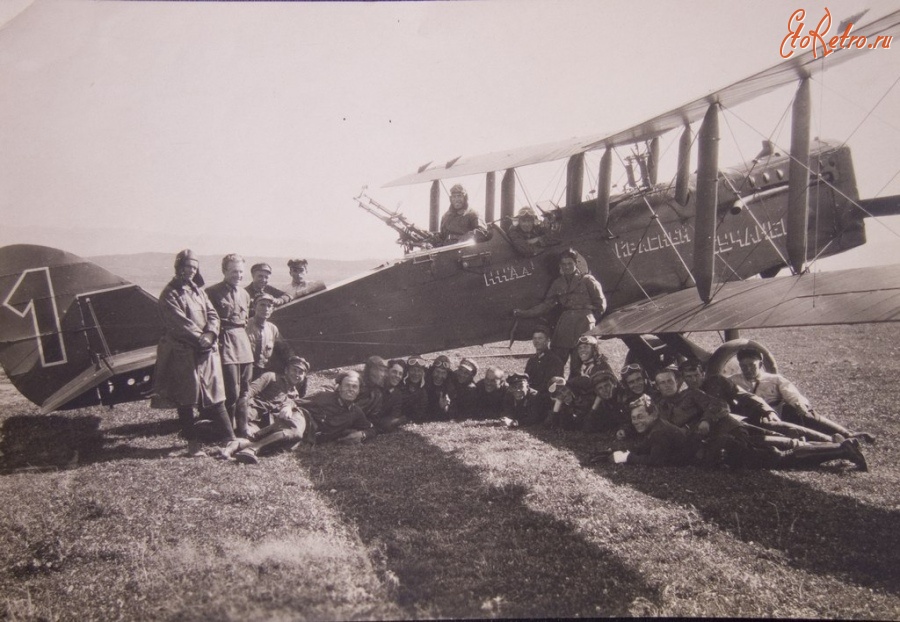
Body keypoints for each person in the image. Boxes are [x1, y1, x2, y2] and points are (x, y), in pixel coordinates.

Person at [151, 249, 236, 455]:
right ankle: (193, 444)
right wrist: (201, 338)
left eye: (194, 267)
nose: (191, 271)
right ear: (179, 267)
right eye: (187, 266)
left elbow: (212, 314)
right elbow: (179, 324)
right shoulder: (169, 293)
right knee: (186, 397)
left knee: (215, 394)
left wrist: (211, 334)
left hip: (205, 352)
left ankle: (230, 439)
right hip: (182, 352)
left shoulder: (198, 291)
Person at [729, 348, 874, 443]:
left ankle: (847, 434)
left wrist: (799, 404)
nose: (747, 369)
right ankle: (833, 442)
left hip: (779, 413)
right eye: (743, 366)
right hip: (757, 418)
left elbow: (791, 392)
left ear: (760, 364)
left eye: (751, 365)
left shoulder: (774, 379)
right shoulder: (734, 381)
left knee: (803, 413)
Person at [512, 249, 607, 373]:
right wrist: (525, 313)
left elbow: (601, 304)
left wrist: (590, 317)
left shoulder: (587, 280)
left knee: (578, 362)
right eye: (564, 264)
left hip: (584, 323)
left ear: (576, 264)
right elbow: (546, 305)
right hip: (566, 323)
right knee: (557, 360)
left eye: (570, 263)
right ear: (560, 266)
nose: (567, 267)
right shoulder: (558, 283)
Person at [224, 356, 311, 463]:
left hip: (261, 425)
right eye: (294, 370)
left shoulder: (295, 395)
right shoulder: (271, 377)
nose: (297, 374)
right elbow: (246, 395)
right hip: (245, 416)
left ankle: (229, 450)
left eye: (301, 372)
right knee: (214, 429)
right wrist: (243, 425)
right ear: (286, 370)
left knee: (262, 439)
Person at [205, 254, 254, 428]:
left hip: (243, 342)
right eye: (234, 271)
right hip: (224, 343)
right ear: (224, 271)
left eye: (241, 272)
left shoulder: (245, 294)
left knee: (245, 389)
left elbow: (245, 321)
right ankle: (226, 428)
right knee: (231, 390)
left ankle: (243, 427)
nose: (238, 275)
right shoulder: (211, 293)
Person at [605, 395, 691, 467]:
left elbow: (655, 461)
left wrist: (627, 457)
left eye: (640, 417)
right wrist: (621, 450)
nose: (636, 422)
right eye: (633, 418)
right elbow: (645, 447)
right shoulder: (655, 425)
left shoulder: (659, 432)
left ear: (653, 415)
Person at [299, 370, 377, 444]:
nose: (350, 389)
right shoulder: (324, 397)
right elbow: (296, 402)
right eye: (347, 385)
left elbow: (371, 429)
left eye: (354, 387)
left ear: (358, 391)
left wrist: (362, 434)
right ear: (339, 388)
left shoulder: (355, 411)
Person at [245, 293, 294, 380]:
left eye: (269, 306)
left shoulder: (272, 328)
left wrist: (294, 363)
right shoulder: (245, 326)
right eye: (262, 305)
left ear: (272, 309)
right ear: (254, 307)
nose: (266, 309)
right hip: (246, 371)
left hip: (264, 372)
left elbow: (284, 349)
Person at [524, 326, 565, 411]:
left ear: (547, 341)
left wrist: (532, 391)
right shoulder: (532, 360)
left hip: (546, 396)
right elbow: (526, 378)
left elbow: (551, 384)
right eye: (534, 338)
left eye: (540, 338)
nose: (536, 341)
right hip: (531, 392)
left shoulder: (554, 360)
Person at [375, 359, 409, 432]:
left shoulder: (397, 394)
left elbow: (394, 416)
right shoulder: (376, 387)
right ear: (387, 372)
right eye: (394, 372)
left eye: (400, 374)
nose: (397, 376)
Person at [356, 355, 388, 421]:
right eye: (381, 370)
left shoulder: (377, 393)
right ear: (371, 370)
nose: (384, 375)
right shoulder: (355, 383)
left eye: (384, 371)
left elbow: (373, 417)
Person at [424, 354, 454, 421]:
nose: (439, 376)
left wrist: (445, 408)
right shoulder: (425, 383)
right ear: (432, 371)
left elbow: (453, 415)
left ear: (447, 375)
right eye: (437, 371)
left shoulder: (450, 387)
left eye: (443, 373)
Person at [400, 355, 429, 422]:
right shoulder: (400, 385)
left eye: (419, 370)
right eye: (413, 370)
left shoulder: (424, 390)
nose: (416, 373)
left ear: (423, 373)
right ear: (408, 372)